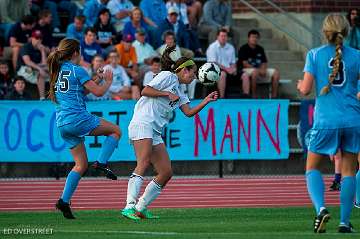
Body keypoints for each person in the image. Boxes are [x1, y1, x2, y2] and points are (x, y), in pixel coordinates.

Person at [121, 45, 218, 220]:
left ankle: (140, 207)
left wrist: (205, 101)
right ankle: (129, 206)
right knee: (142, 163)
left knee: (166, 172)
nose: (194, 77)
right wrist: (166, 94)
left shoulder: (181, 91)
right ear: (183, 70)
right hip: (142, 123)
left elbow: (188, 113)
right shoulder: (168, 76)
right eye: (193, 73)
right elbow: (145, 91)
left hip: (155, 130)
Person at [297, 14, 360, 233]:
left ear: (324, 32)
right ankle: (344, 222)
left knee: (312, 167)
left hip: (325, 120)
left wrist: (299, 85)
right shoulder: (357, 56)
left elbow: (305, 89)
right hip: (353, 119)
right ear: (347, 31)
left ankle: (321, 208)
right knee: (349, 170)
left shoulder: (314, 55)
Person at [48, 38, 120, 219]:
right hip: (77, 117)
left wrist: (97, 78)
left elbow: (81, 90)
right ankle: (102, 163)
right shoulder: (77, 69)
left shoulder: (57, 71)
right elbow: (98, 93)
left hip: (62, 123)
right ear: (74, 54)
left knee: (80, 165)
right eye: (80, 52)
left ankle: (63, 201)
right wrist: (108, 81)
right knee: (116, 131)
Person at [207, 28, 250, 98]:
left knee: (245, 75)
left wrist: (234, 69)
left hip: (228, 70)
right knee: (223, 74)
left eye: (225, 36)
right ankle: (222, 97)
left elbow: (233, 62)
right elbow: (213, 63)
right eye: (222, 36)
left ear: (227, 37)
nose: (223, 38)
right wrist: (227, 69)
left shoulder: (230, 47)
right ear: (217, 37)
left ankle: (246, 96)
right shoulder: (212, 47)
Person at [238, 29, 280, 98]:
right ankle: (254, 96)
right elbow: (245, 63)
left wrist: (263, 69)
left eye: (256, 37)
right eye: (252, 37)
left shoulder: (260, 49)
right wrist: (257, 69)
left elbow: (264, 62)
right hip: (247, 70)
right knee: (255, 72)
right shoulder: (243, 48)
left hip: (259, 69)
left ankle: (274, 96)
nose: (254, 39)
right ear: (249, 38)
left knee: (276, 73)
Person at [16, 30, 49, 100]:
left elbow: (44, 63)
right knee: (41, 73)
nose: (38, 40)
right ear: (32, 38)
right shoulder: (26, 47)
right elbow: (27, 62)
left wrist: (43, 51)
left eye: (40, 38)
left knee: (51, 69)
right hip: (24, 68)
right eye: (36, 38)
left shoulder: (41, 48)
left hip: (36, 66)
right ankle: (42, 98)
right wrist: (40, 69)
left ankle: (51, 98)